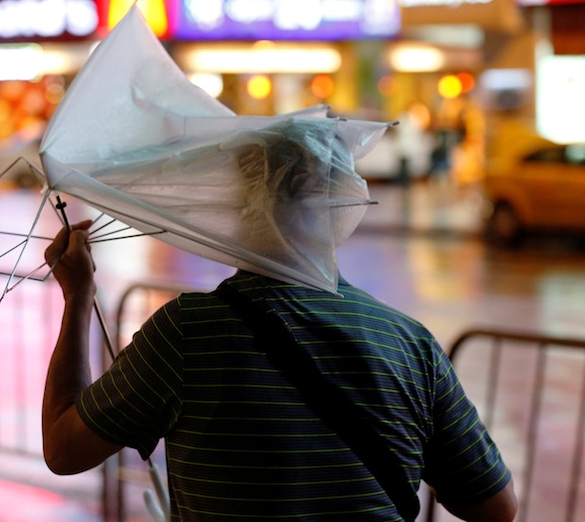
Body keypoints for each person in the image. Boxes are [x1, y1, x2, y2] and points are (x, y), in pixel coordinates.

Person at [41, 123, 517, 521]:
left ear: (239, 208)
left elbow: (64, 450)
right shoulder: (408, 343)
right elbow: (495, 507)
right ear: (342, 206)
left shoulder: (185, 333)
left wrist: (78, 295)